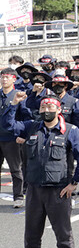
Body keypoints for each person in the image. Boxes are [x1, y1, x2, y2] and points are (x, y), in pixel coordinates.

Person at [5, 96, 79, 248]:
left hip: (59, 191)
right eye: (43, 106)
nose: (46, 109)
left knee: (63, 234)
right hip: (35, 190)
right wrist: (12, 105)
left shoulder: (70, 130)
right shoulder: (32, 127)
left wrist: (74, 183)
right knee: (32, 235)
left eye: (50, 106)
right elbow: (8, 125)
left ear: (59, 110)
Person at [0, 69, 27, 209]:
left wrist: (22, 135)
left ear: (14, 80)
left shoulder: (19, 96)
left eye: (7, 77)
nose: (4, 80)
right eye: (2, 77)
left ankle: (18, 196)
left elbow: (25, 117)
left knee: (15, 169)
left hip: (12, 138)